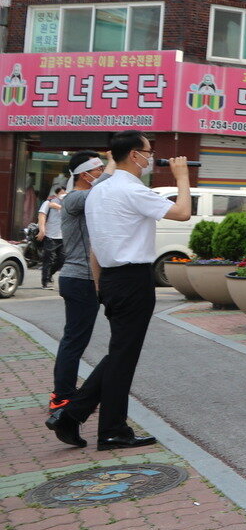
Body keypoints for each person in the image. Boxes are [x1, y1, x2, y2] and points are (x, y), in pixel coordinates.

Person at [47, 132, 192, 450]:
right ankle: (108, 429)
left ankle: (75, 416)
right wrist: (182, 177)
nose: (151, 156)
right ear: (133, 155)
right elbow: (183, 212)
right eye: (148, 151)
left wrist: (100, 284)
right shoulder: (131, 189)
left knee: (120, 354)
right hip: (132, 280)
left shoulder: (99, 191)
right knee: (123, 357)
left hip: (111, 280)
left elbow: (95, 248)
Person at [50, 152, 115, 411]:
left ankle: (64, 391)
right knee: (74, 340)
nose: (100, 174)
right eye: (96, 170)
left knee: (75, 338)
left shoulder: (83, 198)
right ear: (84, 174)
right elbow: (102, 191)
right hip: (79, 278)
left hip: (82, 279)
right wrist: (113, 163)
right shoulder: (76, 198)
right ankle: (61, 395)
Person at [38, 186, 67, 288]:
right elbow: (42, 215)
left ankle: (50, 274)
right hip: (50, 235)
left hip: (63, 237)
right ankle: (45, 282)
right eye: (63, 192)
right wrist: (42, 229)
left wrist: (59, 207)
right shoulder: (48, 203)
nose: (64, 194)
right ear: (57, 193)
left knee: (62, 260)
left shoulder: (67, 204)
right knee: (48, 259)